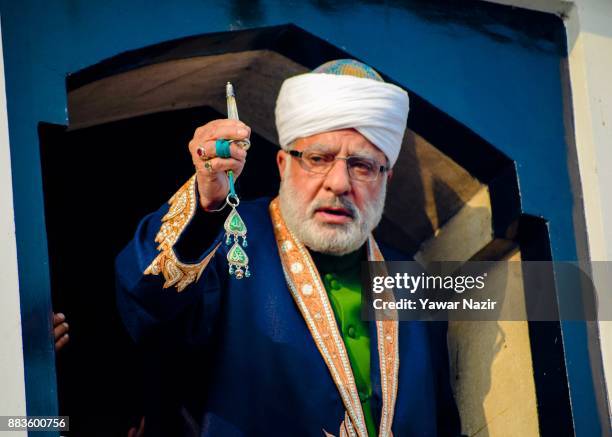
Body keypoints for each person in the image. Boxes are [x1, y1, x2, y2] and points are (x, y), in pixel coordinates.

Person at [116, 59, 460, 437]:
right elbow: (147, 307)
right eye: (318, 159)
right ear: (283, 164)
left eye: (362, 166)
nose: (339, 183)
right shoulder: (232, 239)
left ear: (387, 177)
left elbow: (443, 415)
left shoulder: (413, 279)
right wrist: (206, 202)